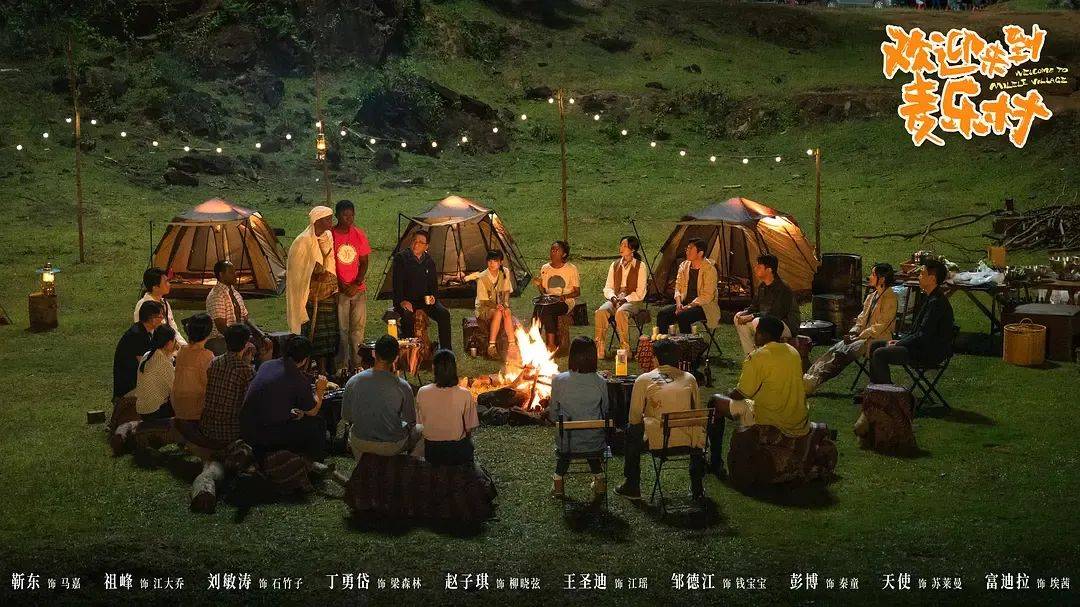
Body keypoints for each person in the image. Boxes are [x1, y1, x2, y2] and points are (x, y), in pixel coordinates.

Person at [708, 316, 810, 475]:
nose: (754, 336)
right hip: (797, 418)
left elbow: (740, 394)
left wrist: (727, 393)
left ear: (764, 334)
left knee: (715, 401)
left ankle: (715, 462)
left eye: (756, 333)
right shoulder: (793, 352)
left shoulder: (757, 356)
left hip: (772, 419)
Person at [615, 338, 706, 501]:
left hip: (660, 442)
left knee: (632, 430)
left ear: (656, 358)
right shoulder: (690, 378)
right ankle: (697, 486)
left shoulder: (644, 379)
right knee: (696, 426)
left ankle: (632, 484)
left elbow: (634, 417)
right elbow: (697, 413)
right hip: (691, 441)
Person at [804, 263, 898, 394]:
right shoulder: (872, 296)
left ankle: (814, 382)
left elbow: (880, 326)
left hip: (877, 339)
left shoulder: (890, 298)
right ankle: (808, 375)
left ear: (882, 279)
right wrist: (854, 331)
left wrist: (858, 336)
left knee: (841, 355)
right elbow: (861, 318)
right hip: (862, 336)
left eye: (873, 275)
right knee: (834, 349)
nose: (870, 277)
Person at [240, 335, 328, 462]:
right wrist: (320, 390)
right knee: (317, 423)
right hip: (263, 435)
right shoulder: (297, 379)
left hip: (246, 428)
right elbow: (312, 411)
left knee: (300, 418)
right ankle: (314, 463)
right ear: (305, 359)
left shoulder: (267, 365)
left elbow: (271, 398)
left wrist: (289, 413)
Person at [869, 259, 954, 384]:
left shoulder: (936, 303)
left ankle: (886, 392)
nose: (919, 277)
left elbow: (923, 334)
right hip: (919, 345)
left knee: (880, 353)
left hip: (927, 351)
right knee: (875, 345)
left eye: (922, 274)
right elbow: (918, 332)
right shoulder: (930, 297)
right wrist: (900, 341)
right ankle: (874, 388)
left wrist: (900, 343)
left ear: (932, 279)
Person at [547, 336, 609, 500]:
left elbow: (553, 415)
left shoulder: (559, 380)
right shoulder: (601, 382)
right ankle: (599, 478)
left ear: (572, 356)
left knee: (569, 441)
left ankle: (558, 480)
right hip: (594, 441)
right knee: (588, 440)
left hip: (567, 442)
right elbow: (605, 410)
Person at [341, 335, 420, 459]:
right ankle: (410, 465)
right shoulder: (403, 386)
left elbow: (347, 416)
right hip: (391, 445)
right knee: (421, 431)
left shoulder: (353, 381)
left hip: (361, 442)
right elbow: (411, 421)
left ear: (373, 353)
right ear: (396, 358)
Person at [286, 206, 338, 370]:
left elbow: (330, 262)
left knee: (327, 334)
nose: (331, 222)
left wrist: (330, 280)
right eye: (328, 219)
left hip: (327, 291)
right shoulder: (302, 241)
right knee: (313, 333)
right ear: (317, 221)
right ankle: (305, 368)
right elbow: (297, 272)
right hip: (310, 294)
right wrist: (314, 276)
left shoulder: (328, 237)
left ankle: (324, 370)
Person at [200, 324, 266, 444]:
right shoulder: (246, 371)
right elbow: (253, 403)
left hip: (207, 427)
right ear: (246, 344)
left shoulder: (214, 362)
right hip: (230, 432)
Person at [416, 350, 479, 466]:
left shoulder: (422, 392)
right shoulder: (465, 394)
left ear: (433, 368)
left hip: (432, 450)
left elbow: (420, 423)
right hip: (457, 450)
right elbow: (470, 427)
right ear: (454, 368)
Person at [392, 230, 452, 350]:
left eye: (420, 242)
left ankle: (446, 350)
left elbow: (433, 286)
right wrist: (402, 301)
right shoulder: (401, 258)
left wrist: (433, 297)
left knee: (444, 314)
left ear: (426, 246)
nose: (416, 244)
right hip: (407, 300)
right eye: (414, 241)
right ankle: (411, 351)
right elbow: (396, 284)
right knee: (407, 316)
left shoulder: (429, 261)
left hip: (424, 301)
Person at [331, 199, 372, 371]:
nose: (348, 218)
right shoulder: (331, 235)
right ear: (337, 215)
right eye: (344, 215)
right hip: (339, 289)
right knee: (342, 329)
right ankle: (341, 366)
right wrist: (341, 284)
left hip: (357, 289)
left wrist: (356, 283)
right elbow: (329, 262)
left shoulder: (358, 234)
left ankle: (357, 365)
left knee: (357, 329)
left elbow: (364, 262)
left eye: (351, 215)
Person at [734, 254, 799, 355]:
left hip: (785, 324)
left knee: (758, 321)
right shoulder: (762, 286)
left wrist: (751, 316)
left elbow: (775, 313)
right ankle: (751, 355)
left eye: (759, 267)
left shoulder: (782, 288)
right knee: (738, 317)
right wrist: (744, 314)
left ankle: (764, 355)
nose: (755, 268)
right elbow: (754, 306)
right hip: (765, 320)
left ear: (769, 270)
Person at [595, 235, 647, 359]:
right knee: (600, 312)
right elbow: (608, 287)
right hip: (616, 299)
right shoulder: (614, 265)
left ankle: (625, 349)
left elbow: (640, 292)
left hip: (633, 300)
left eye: (625, 245)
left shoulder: (640, 266)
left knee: (620, 312)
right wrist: (613, 297)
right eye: (621, 245)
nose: (621, 248)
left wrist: (625, 299)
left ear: (632, 249)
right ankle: (600, 348)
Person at [656, 237, 720, 335]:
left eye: (690, 249)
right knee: (663, 314)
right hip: (684, 303)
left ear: (700, 253)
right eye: (687, 248)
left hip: (703, 306)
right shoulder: (684, 266)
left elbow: (707, 296)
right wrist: (678, 304)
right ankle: (663, 342)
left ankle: (687, 342)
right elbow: (678, 286)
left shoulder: (710, 269)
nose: (687, 251)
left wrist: (689, 306)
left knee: (683, 315)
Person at [533, 240, 580, 351]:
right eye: (552, 249)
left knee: (547, 309)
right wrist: (539, 285)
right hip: (549, 299)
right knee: (538, 307)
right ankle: (534, 339)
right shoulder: (545, 268)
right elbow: (544, 293)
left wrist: (564, 296)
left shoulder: (571, 269)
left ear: (564, 254)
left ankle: (551, 344)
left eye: (556, 250)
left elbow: (577, 292)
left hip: (565, 301)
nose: (553, 252)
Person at [468, 250, 516, 359]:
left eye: (495, 261)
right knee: (498, 312)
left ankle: (512, 345)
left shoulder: (505, 272)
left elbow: (506, 291)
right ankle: (491, 346)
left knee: (507, 312)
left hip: (499, 304)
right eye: (489, 261)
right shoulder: (482, 277)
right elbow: (483, 301)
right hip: (484, 308)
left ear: (501, 262)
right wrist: (497, 306)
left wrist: (505, 304)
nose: (491, 264)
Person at [114, 300, 164, 402]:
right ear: (152, 319)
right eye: (160, 316)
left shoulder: (145, 331)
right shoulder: (137, 335)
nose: (162, 319)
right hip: (130, 389)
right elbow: (145, 366)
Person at [171, 313, 215, 421]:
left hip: (177, 405)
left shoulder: (182, 350)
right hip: (195, 408)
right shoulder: (207, 356)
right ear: (208, 332)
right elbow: (211, 385)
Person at [205, 260, 249, 355]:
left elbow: (245, 318)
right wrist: (238, 342)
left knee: (266, 344)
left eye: (234, 272)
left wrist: (261, 335)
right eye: (231, 272)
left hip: (237, 337)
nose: (235, 275)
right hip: (219, 339)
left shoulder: (235, 294)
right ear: (221, 275)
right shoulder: (216, 295)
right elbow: (221, 327)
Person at [133, 267, 186, 346]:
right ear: (155, 287)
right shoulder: (143, 305)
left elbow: (173, 328)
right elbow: (145, 335)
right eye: (166, 282)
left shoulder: (164, 303)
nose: (169, 284)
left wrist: (184, 346)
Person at [135, 325, 178, 420]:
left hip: (142, 408)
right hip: (153, 411)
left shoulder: (148, 354)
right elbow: (174, 390)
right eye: (174, 340)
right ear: (169, 342)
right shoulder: (162, 362)